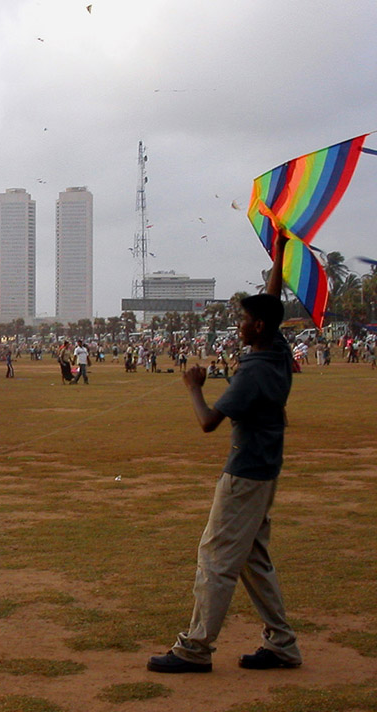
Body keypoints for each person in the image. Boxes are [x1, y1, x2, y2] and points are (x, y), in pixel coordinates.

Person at [148, 229, 301, 675]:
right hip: (266, 471)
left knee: (215, 558)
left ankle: (195, 649)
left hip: (245, 475)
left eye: (243, 320)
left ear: (257, 327)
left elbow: (209, 422)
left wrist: (194, 388)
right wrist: (279, 256)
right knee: (253, 560)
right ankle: (282, 645)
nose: (239, 324)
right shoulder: (275, 350)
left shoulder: (253, 373)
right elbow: (271, 302)